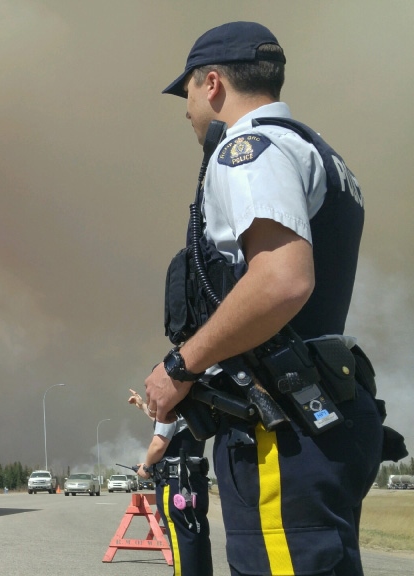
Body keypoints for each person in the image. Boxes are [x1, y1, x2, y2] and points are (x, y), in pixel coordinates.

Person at [144, 21, 389, 575]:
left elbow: (281, 281)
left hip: (281, 433)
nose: (186, 109)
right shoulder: (315, 152)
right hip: (320, 416)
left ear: (211, 84)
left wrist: (179, 365)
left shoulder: (247, 151)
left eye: (185, 92)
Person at [129, 389, 212, 576]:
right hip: (194, 480)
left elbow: (158, 445)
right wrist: (143, 406)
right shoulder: (193, 406)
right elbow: (172, 427)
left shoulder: (169, 409)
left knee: (180, 536)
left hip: (174, 482)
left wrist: (147, 467)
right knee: (196, 534)